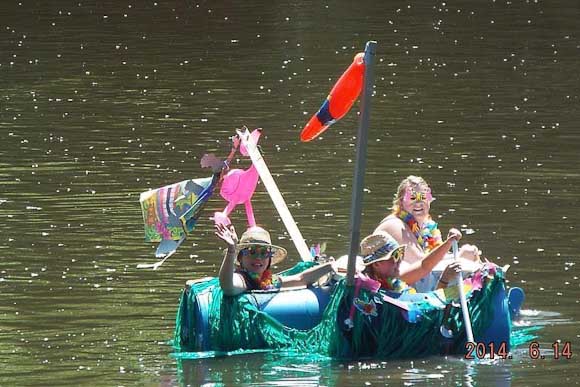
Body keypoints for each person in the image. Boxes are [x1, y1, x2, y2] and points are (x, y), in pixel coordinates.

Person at [374, 175, 482, 266]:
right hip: (390, 286)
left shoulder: (428, 226)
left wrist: (456, 250)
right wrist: (459, 255)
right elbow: (420, 263)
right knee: (466, 254)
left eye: (423, 198)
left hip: (419, 280)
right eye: (412, 198)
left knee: (469, 253)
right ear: (401, 202)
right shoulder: (395, 225)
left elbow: (432, 258)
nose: (418, 203)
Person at [216, 223, 335, 296]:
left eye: (264, 253)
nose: (258, 258)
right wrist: (231, 250)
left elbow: (300, 279)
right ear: (240, 258)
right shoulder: (242, 278)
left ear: (269, 259)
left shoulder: (267, 280)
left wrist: (329, 266)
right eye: (251, 252)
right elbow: (228, 287)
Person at [359, 229, 463, 293]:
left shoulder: (393, 281)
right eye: (395, 256)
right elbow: (426, 319)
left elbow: (424, 266)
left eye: (400, 254)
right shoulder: (374, 294)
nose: (399, 260)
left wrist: (448, 243)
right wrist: (444, 280)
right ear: (377, 264)